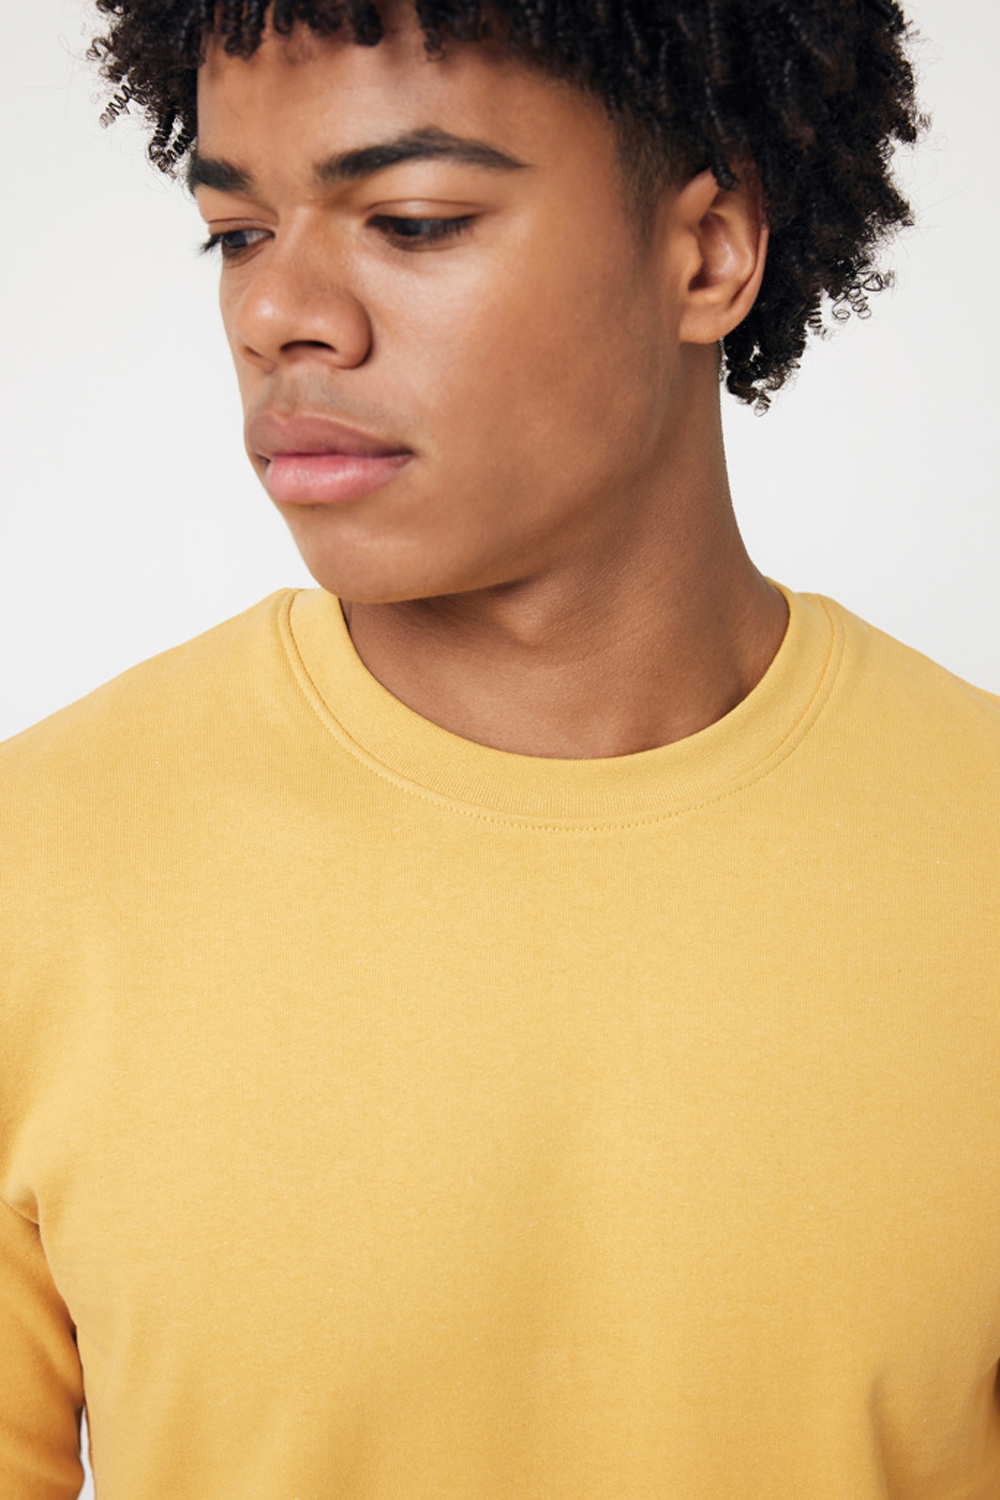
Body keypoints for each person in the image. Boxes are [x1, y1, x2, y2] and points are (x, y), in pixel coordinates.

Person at [1, 0, 997, 1495]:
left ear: (707, 253)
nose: (280, 317)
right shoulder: (36, 869)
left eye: (411, 221)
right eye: (238, 234)